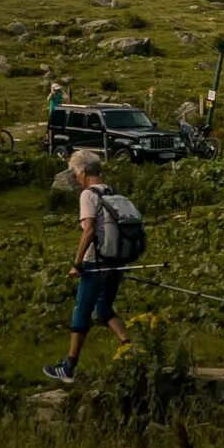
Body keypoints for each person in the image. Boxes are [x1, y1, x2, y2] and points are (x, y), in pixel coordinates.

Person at [45, 149, 137, 384]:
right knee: (104, 308)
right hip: (116, 261)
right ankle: (131, 349)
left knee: (82, 311)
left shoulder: (88, 195)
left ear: (84, 172)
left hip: (95, 262)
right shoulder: (112, 192)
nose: (76, 178)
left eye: (76, 173)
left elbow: (88, 229)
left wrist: (77, 263)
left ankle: (68, 367)